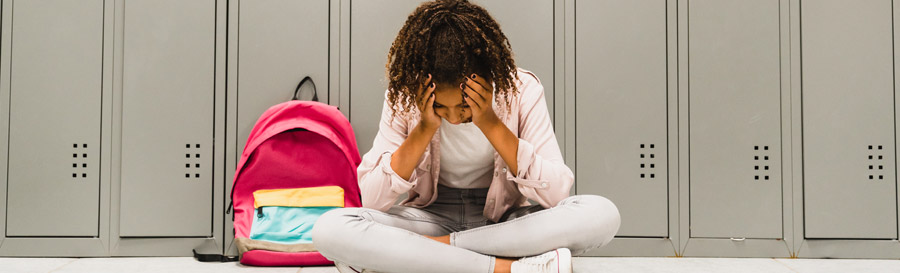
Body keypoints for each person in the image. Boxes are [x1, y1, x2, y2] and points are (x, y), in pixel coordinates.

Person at [312, 1, 620, 272]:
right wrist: (424, 128)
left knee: (601, 214)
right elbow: (372, 198)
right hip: (430, 217)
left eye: (464, 106)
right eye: (443, 107)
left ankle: (429, 253)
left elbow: (556, 194)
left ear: (490, 78)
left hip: (506, 222)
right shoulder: (404, 99)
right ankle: (506, 268)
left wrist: (490, 122)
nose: (456, 118)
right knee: (330, 229)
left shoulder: (522, 90)